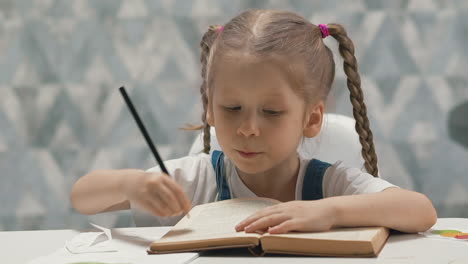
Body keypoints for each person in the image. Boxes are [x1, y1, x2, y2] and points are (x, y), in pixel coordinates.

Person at [71, 9, 437, 234]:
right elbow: (82, 198)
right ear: (209, 109)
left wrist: (328, 211)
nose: (248, 128)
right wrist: (131, 183)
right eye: (231, 108)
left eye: (272, 112)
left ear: (311, 119)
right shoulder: (195, 179)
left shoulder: (329, 184)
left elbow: (420, 210)